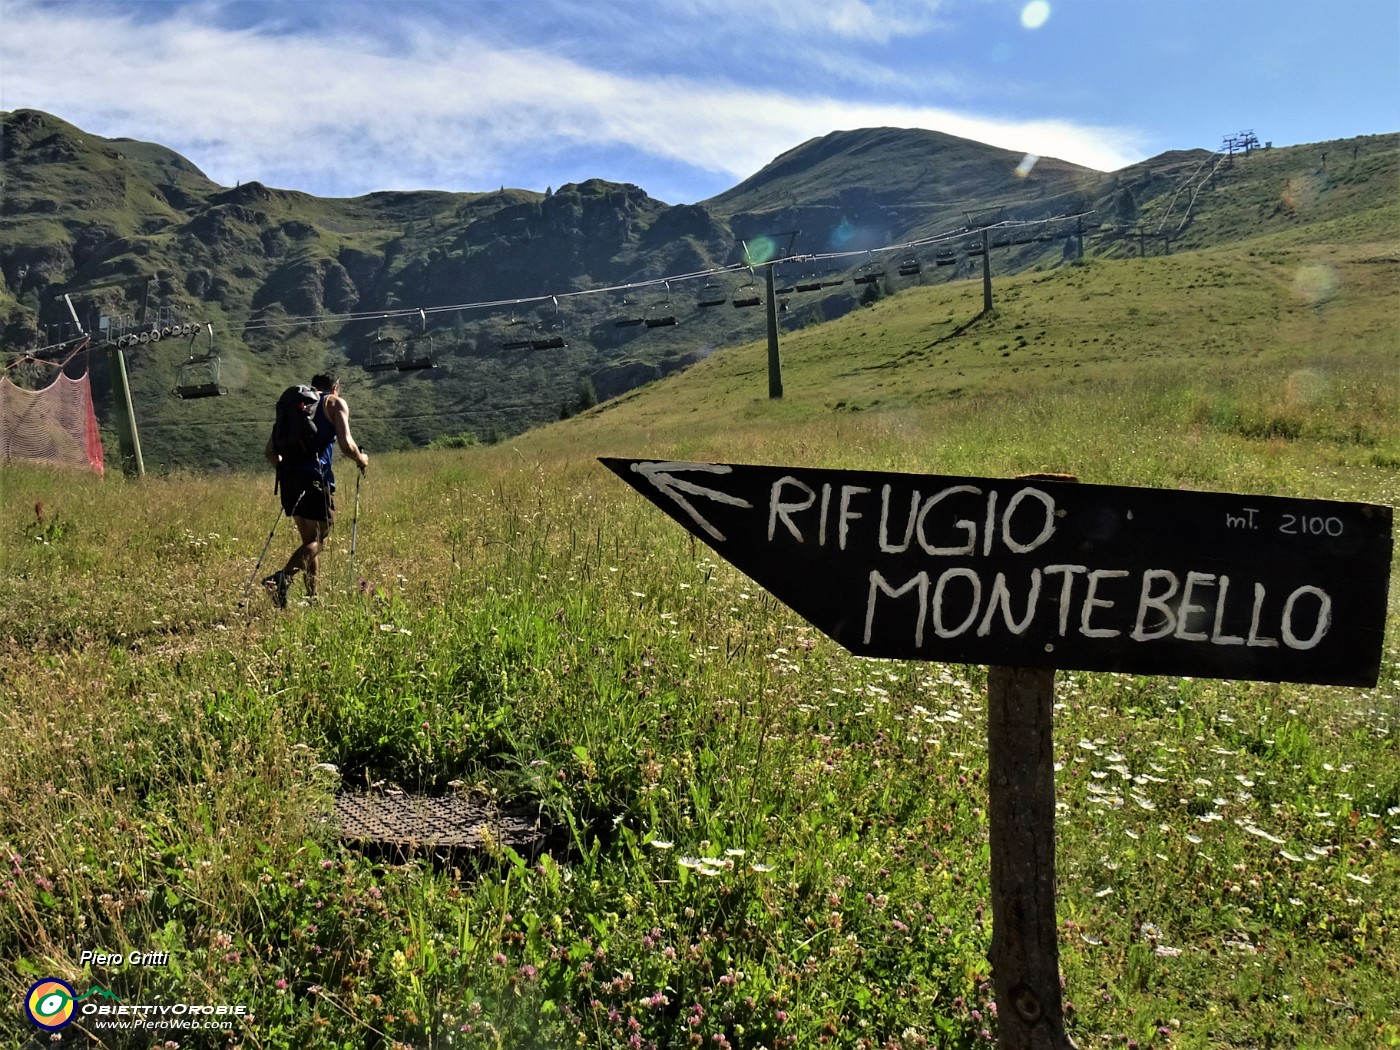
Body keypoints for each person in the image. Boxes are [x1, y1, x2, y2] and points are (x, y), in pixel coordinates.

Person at [262, 371, 368, 606]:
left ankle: (312, 597)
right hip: (315, 478)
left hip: (288, 478)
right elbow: (347, 445)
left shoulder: (295, 408)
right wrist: (362, 460)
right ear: (336, 387)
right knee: (321, 538)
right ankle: (281, 578)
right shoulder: (334, 402)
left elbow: (270, 452)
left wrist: (287, 469)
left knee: (309, 540)